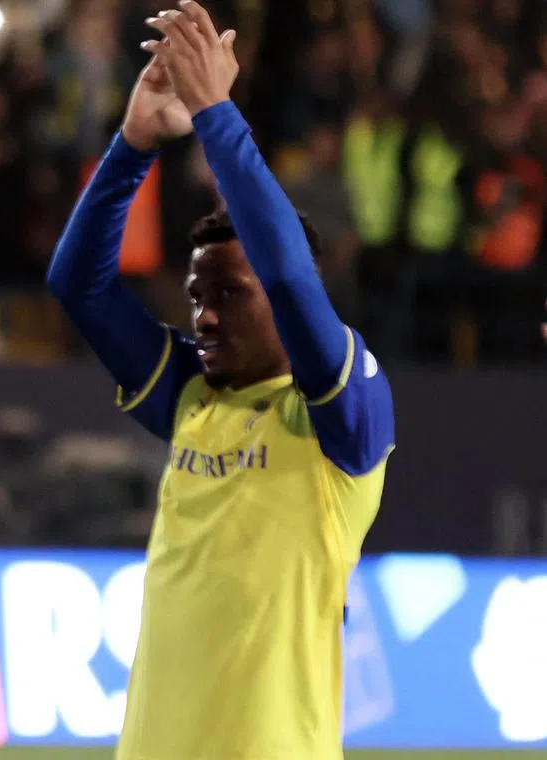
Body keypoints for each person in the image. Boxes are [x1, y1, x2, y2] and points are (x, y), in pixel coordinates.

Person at [45, 3, 395, 759]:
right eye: (198, 296)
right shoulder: (193, 396)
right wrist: (134, 144)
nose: (202, 315)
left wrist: (216, 114)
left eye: (229, 294)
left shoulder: (341, 419)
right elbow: (79, 284)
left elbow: (293, 279)